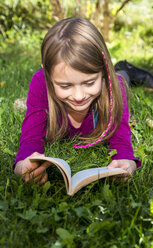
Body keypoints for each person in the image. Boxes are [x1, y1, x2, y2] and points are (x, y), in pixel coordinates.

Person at [13, 17, 146, 185]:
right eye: (65, 85)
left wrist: (127, 163)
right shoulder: (40, 82)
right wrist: (24, 164)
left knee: (121, 79)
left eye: (89, 83)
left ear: (103, 72)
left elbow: (122, 142)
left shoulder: (114, 86)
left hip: (115, 80)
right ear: (48, 76)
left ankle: (126, 69)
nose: (78, 96)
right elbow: (30, 139)